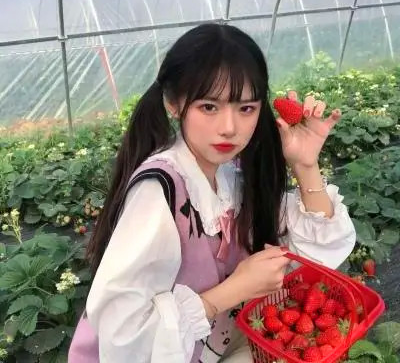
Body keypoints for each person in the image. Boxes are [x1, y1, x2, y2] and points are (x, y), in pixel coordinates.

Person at [73, 24, 356, 363]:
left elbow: (317, 251)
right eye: (209, 107)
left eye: (246, 108)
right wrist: (234, 290)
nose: (229, 128)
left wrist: (305, 164)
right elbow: (124, 337)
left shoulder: (230, 175)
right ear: (174, 104)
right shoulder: (160, 192)